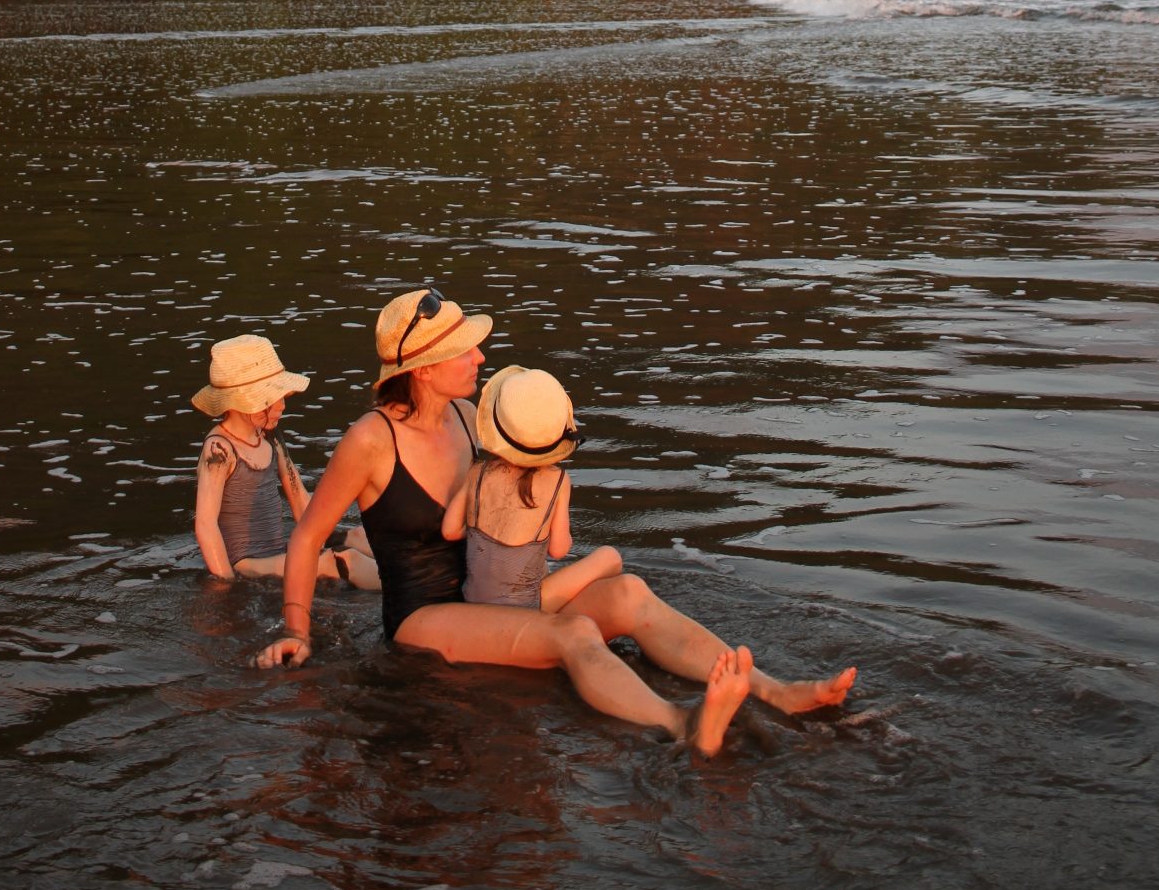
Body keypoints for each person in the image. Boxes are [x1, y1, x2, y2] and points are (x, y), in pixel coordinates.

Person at [253, 290, 823, 757]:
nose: (480, 357)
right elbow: (307, 537)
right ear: (423, 369)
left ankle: (776, 692)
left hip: (494, 594)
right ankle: (684, 724)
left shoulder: (468, 415)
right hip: (425, 618)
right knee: (573, 634)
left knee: (626, 592)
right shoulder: (370, 440)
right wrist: (297, 632)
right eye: (466, 350)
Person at [192, 334, 378, 589]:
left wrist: (323, 538)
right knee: (339, 561)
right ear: (242, 403)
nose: (281, 405)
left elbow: (299, 498)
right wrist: (226, 583)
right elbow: (205, 524)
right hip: (247, 564)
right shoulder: (220, 450)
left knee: (360, 538)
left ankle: (424, 569)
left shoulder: (270, 437)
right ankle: (407, 589)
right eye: (271, 399)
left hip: (277, 552)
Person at [441, 363, 623, 615]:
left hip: (472, 599)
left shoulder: (477, 472)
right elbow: (559, 550)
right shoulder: (557, 480)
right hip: (526, 605)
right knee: (609, 556)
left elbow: (449, 531)